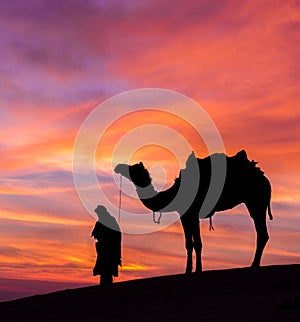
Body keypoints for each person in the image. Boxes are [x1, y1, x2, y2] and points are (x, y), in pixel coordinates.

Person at [91, 205, 122, 285]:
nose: (98, 215)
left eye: (98, 213)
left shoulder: (110, 221)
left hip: (109, 251)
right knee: (104, 272)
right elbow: (95, 234)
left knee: (107, 271)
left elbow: (117, 236)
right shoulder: (100, 222)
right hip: (103, 251)